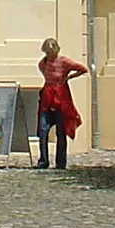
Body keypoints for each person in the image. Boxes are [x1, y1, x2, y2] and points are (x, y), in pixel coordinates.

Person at [34, 37, 87, 169]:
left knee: (61, 132)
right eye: (47, 51)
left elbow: (82, 68)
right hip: (47, 98)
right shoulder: (43, 63)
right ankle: (43, 161)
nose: (50, 54)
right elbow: (44, 74)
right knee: (43, 130)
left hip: (61, 98)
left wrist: (69, 77)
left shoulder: (64, 61)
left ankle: (61, 162)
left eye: (51, 51)